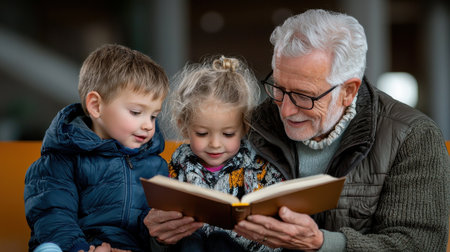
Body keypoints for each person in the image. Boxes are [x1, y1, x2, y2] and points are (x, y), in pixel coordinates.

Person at [144, 9, 450, 252]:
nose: (285, 110)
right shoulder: (250, 122)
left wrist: (322, 243)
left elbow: (420, 245)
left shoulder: (413, 137)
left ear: (348, 91)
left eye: (304, 96)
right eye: (278, 87)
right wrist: (161, 238)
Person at [24, 44, 170, 252]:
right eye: (136, 112)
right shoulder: (61, 159)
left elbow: (151, 228)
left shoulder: (156, 165)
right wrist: (82, 249)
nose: (148, 125)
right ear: (96, 106)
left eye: (154, 116)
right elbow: (53, 215)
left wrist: (161, 235)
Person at [167, 56, 285, 252]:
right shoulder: (178, 164)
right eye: (202, 134)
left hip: (240, 248)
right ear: (184, 127)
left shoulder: (260, 166)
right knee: (190, 241)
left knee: (219, 242)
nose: (214, 144)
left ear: (244, 128)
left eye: (228, 134)